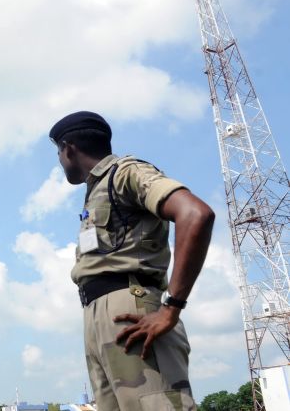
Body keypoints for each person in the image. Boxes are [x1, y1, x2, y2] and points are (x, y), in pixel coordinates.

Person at [49, 111, 215, 410]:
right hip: (98, 312)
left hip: (131, 305)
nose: (60, 160)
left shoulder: (125, 172)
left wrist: (171, 307)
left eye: (58, 152)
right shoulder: (97, 189)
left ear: (68, 148)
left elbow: (195, 214)